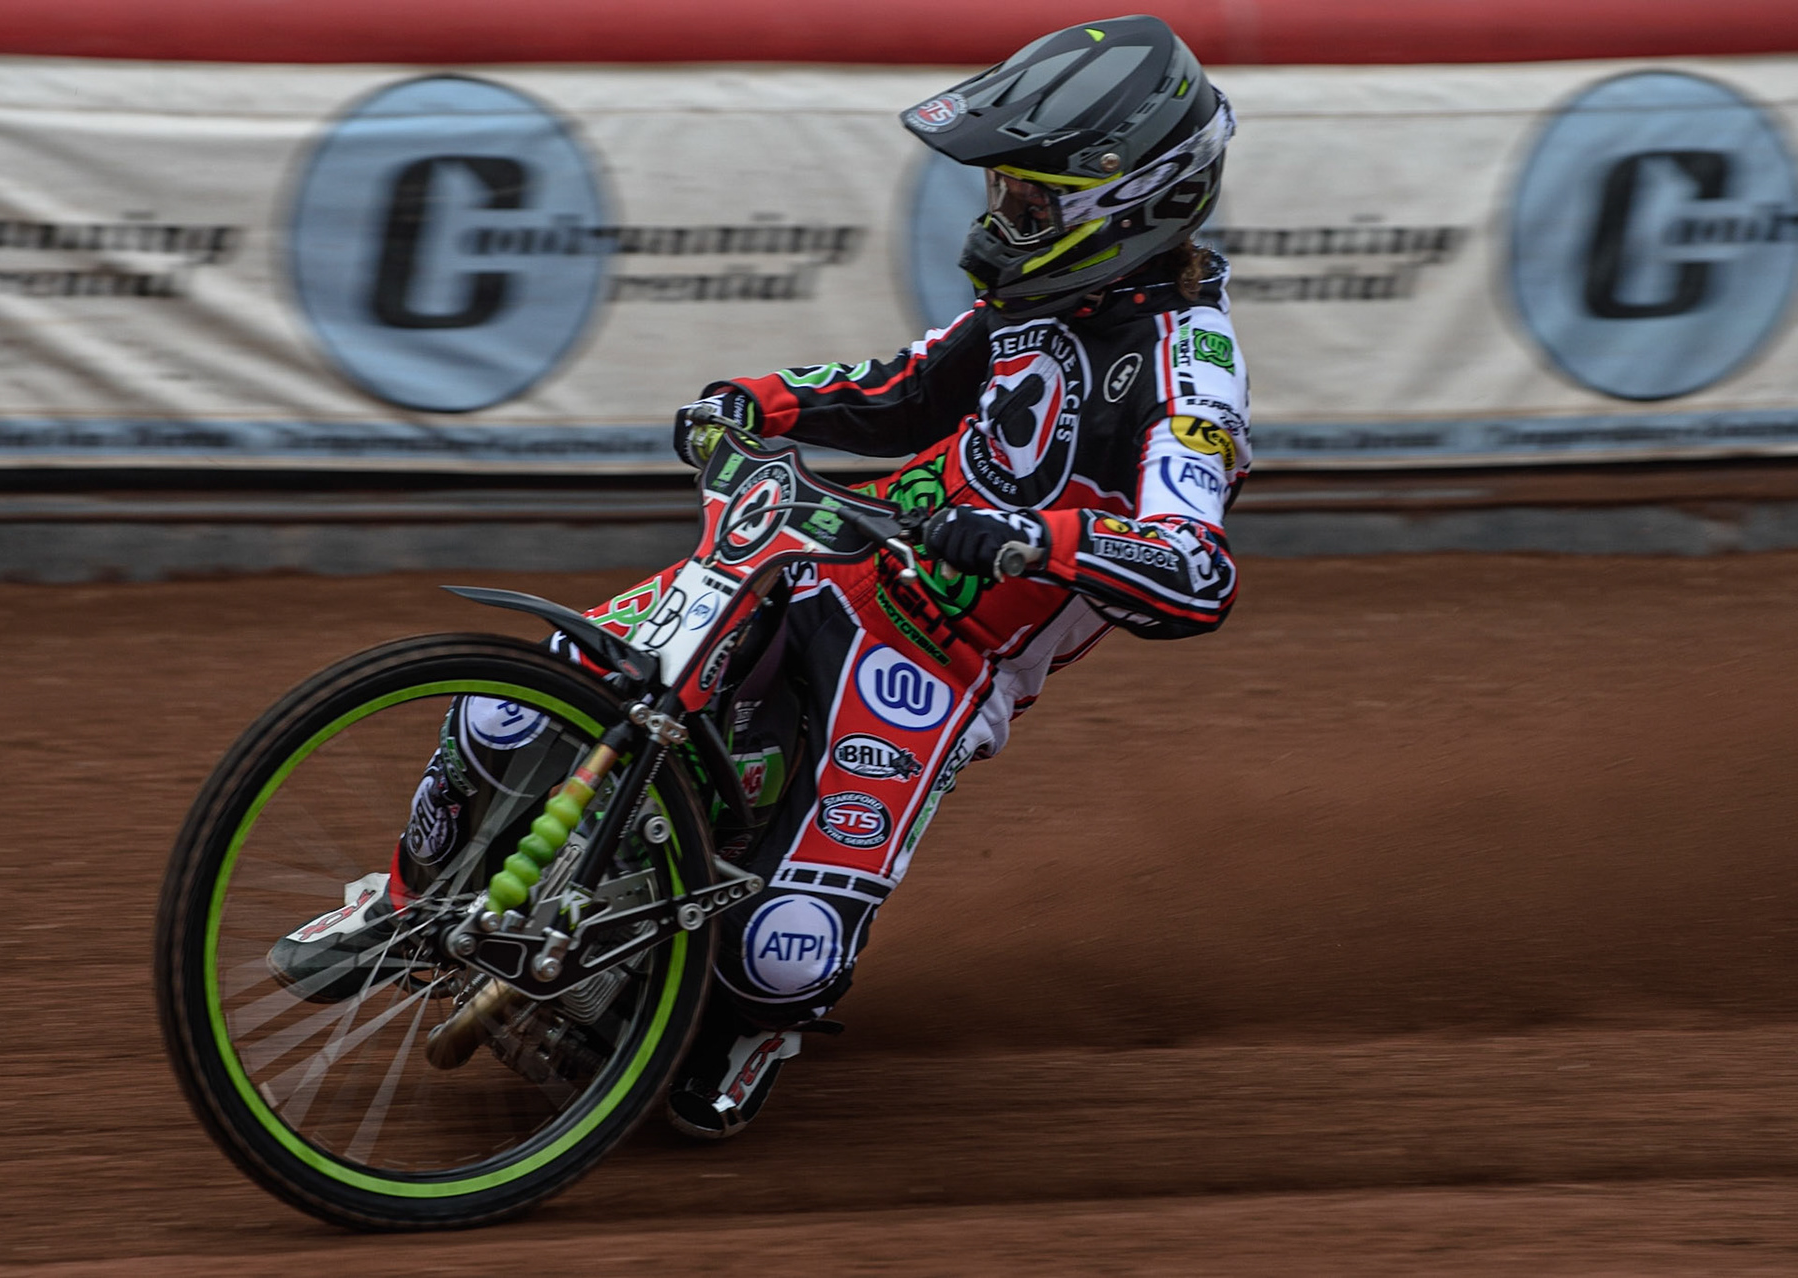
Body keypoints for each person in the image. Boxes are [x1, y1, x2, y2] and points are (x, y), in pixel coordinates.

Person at [269, 14, 1249, 1141]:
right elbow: (906, 391)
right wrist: (756, 403)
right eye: (1004, 197)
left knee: (783, 957)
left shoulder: (1193, 373)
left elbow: (1195, 569)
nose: (1001, 219)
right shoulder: (1037, 305)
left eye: (1028, 203)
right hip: (832, 560)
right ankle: (394, 905)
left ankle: (741, 1026)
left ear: (1130, 201)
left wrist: (1036, 545)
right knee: (511, 704)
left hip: (936, 665)